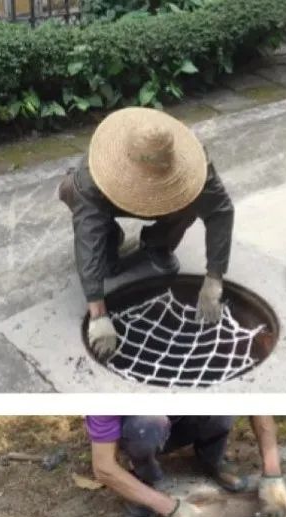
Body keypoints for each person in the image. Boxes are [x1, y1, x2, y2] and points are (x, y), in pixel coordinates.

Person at [59, 107, 235, 360]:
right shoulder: (94, 175)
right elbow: (88, 234)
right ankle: (109, 234)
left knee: (191, 196)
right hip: (109, 198)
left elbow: (220, 210)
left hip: (169, 200)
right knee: (73, 194)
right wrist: (98, 314)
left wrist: (215, 276)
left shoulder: (195, 168)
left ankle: (157, 244)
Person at [87, 415, 286, 517]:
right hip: (145, 429)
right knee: (145, 427)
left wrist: (272, 474)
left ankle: (211, 458)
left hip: (185, 418)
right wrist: (173, 509)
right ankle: (142, 477)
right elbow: (103, 467)